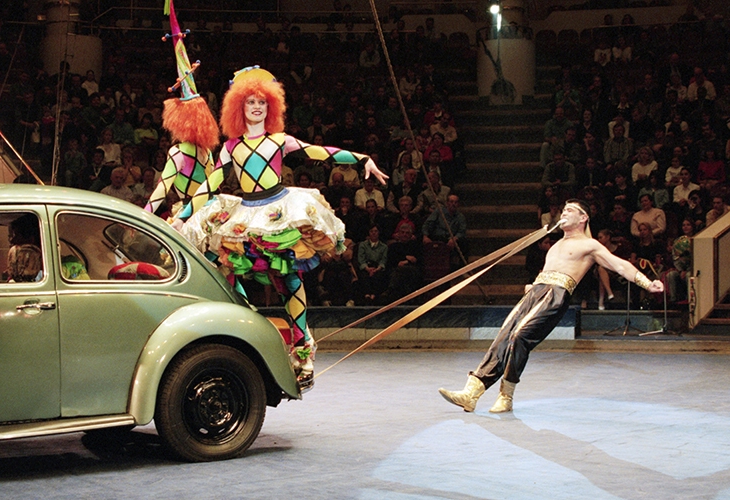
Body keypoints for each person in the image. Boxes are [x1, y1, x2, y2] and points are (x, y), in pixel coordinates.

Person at [178, 66, 387, 386]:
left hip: (279, 212)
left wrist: (361, 159)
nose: (257, 106)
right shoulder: (231, 147)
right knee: (227, 273)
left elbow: (321, 153)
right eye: (250, 102)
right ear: (239, 107)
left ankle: (303, 349)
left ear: (271, 105)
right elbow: (209, 185)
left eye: (262, 101)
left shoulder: (280, 141)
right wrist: (181, 216)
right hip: (246, 215)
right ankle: (253, 334)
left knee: (288, 280)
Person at [439, 200, 663, 413]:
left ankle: (506, 396)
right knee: (504, 335)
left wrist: (646, 282)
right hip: (537, 291)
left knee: (519, 336)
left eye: (570, 210)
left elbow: (619, 265)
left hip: (556, 294)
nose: (564, 213)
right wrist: (535, 285)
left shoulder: (589, 244)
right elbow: (549, 270)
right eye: (563, 210)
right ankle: (472, 392)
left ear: (583, 217)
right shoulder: (555, 245)